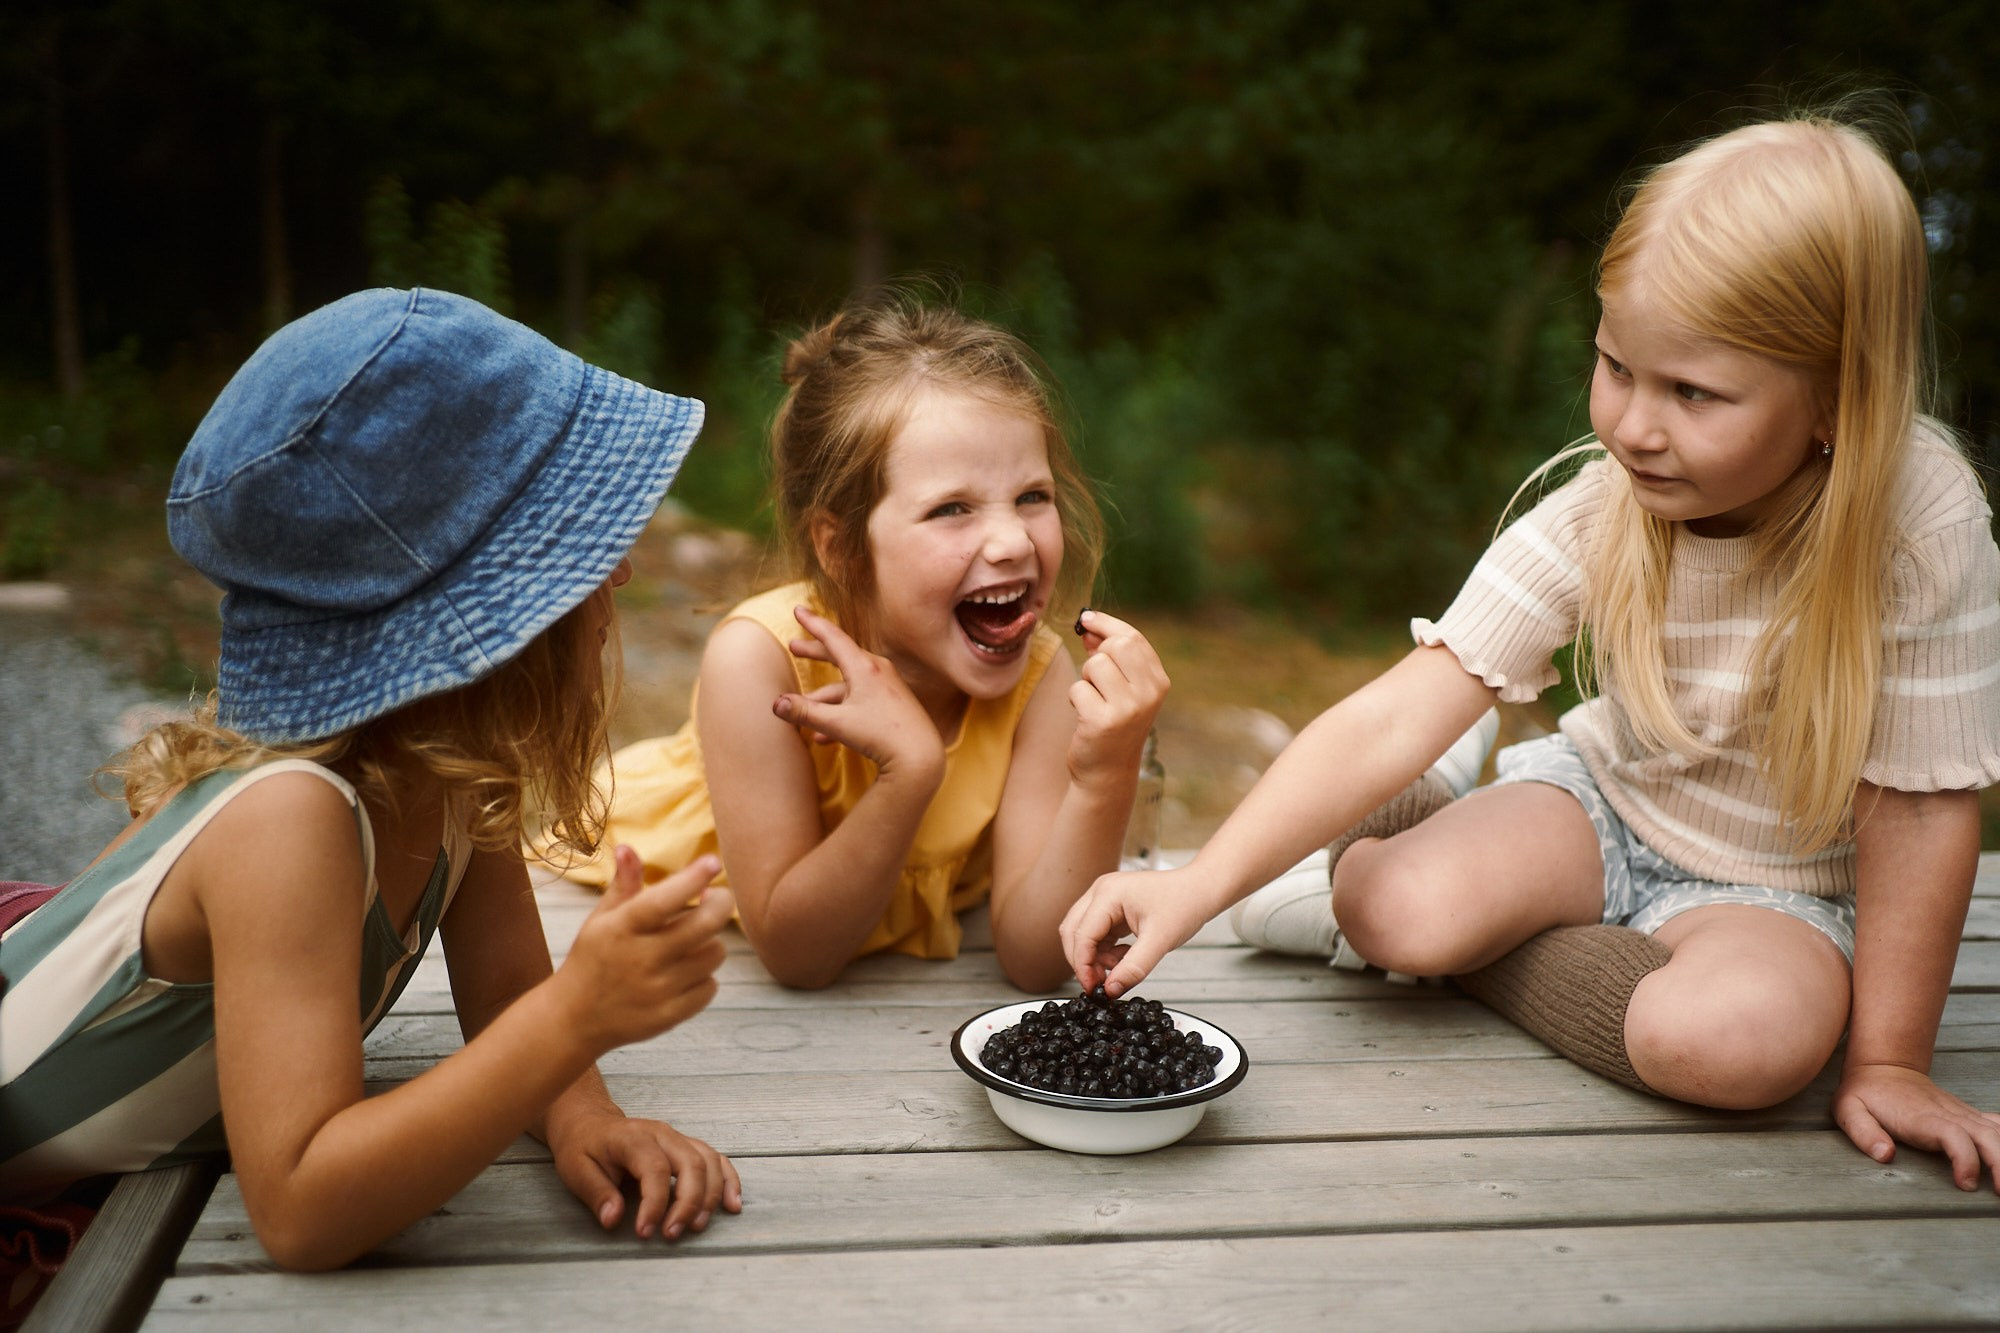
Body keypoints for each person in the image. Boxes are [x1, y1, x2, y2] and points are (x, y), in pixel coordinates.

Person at [1061, 111, 2000, 1190]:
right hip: (1599, 805)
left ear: (1836, 395)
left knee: (1737, 1048)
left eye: (1691, 393)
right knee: (1397, 914)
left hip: (1780, 888)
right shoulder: (1605, 502)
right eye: (1614, 366)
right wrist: (1197, 887)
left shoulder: (1918, 526)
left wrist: (1886, 1058)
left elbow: (1923, 807)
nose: (1632, 426)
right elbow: (1402, 704)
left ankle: (1477, 935)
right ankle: (1404, 830)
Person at [0, 289, 744, 1270]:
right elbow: (302, 1209)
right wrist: (577, 1017)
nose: (618, 580)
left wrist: (581, 1117)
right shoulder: (292, 821)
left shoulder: (447, 774)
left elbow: (511, 988)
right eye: (579, 556)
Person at [549, 292, 1169, 991]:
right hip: (619, 902)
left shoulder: (1043, 678)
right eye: (952, 509)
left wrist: (1108, 771)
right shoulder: (761, 663)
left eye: (1032, 495)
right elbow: (795, 954)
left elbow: (1035, 958)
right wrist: (909, 773)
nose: (1013, 538)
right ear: (841, 547)